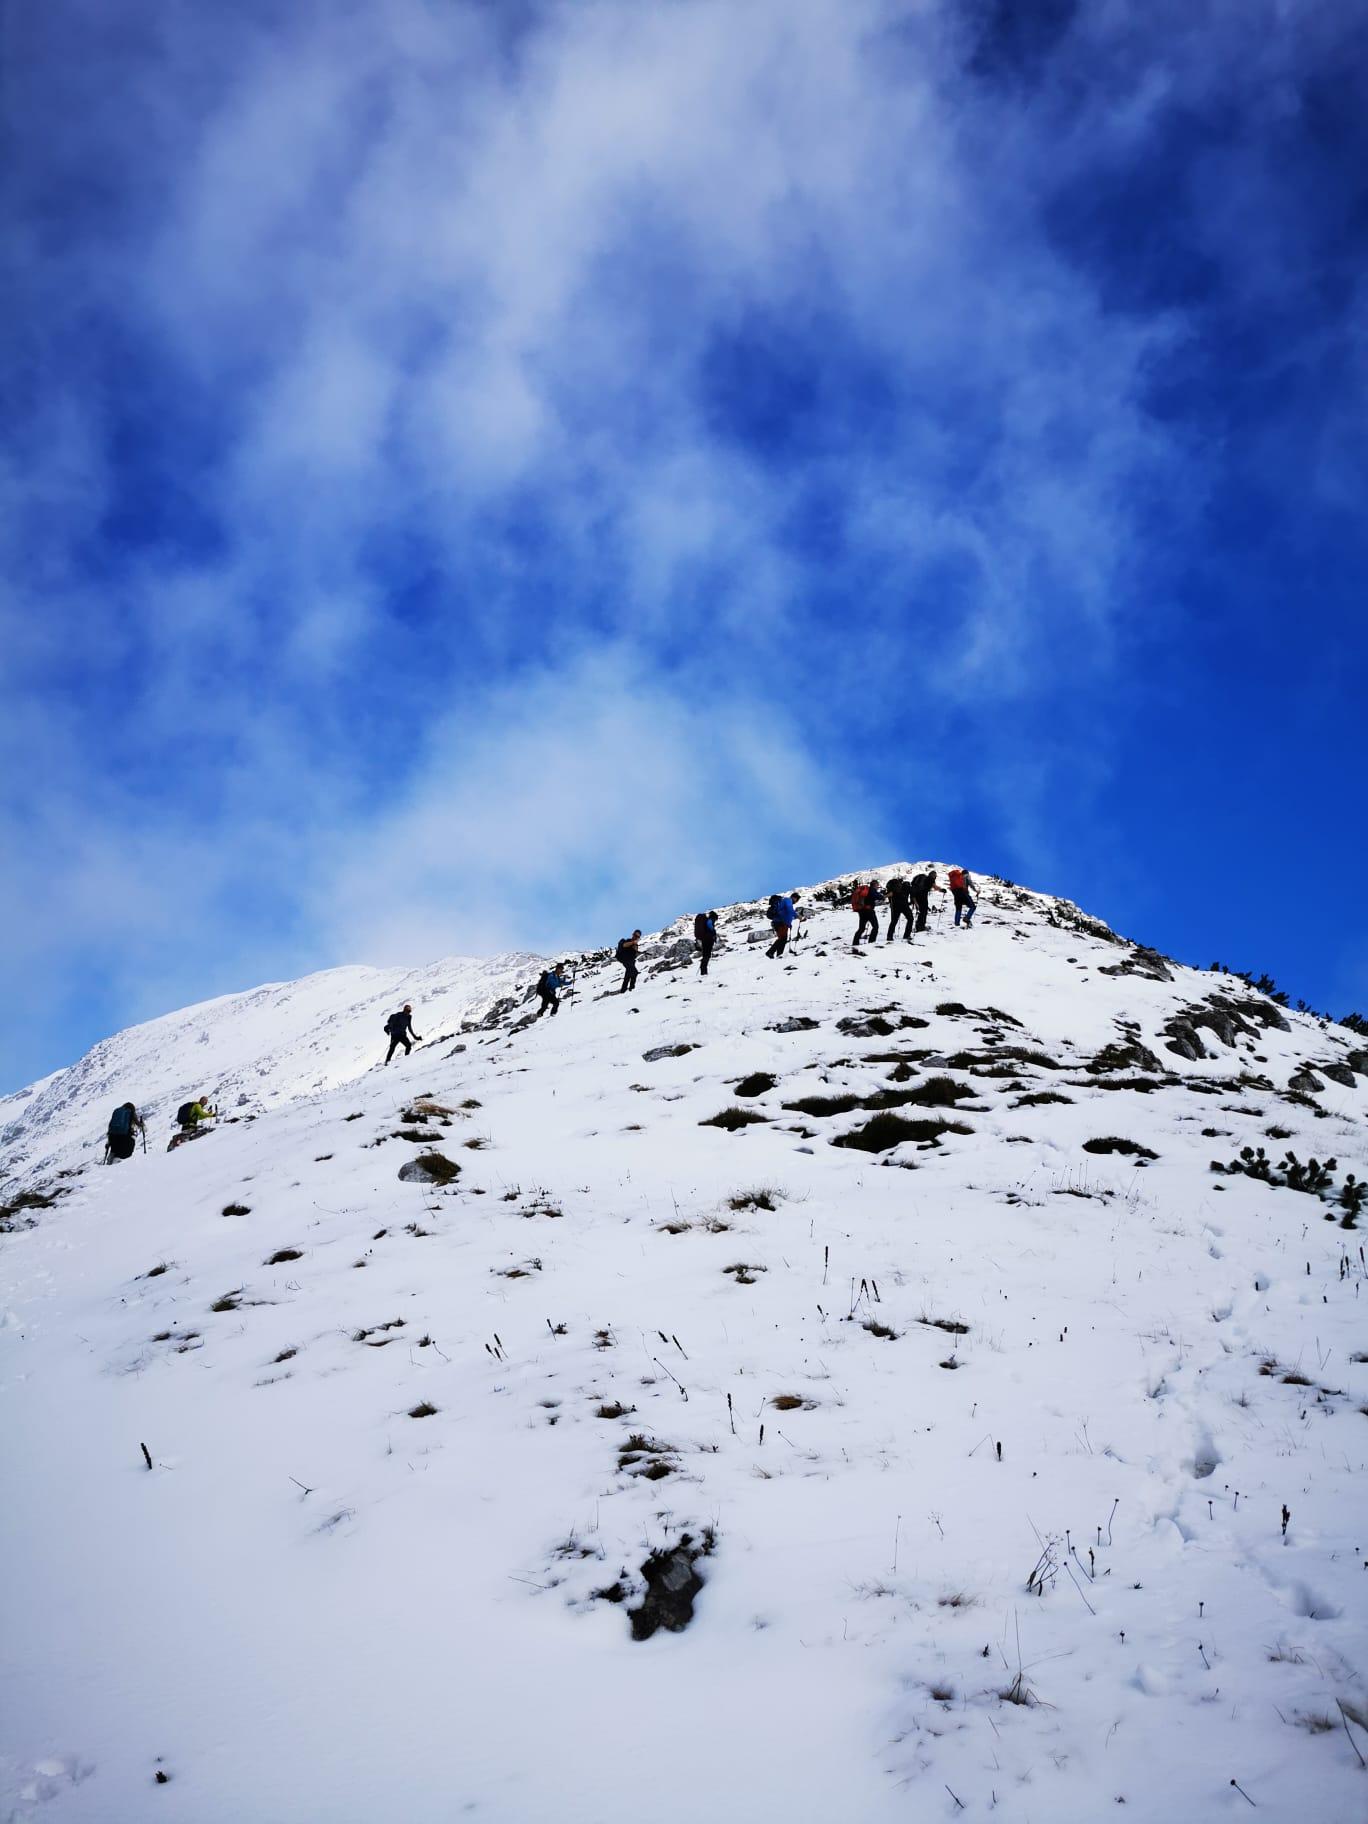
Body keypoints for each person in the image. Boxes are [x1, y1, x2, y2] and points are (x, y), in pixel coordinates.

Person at [852, 879, 882, 948]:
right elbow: (878, 896)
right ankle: (871, 942)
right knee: (875, 926)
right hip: (869, 911)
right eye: (877, 885)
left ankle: (855, 943)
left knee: (861, 928)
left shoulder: (866, 890)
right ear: (874, 885)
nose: (878, 886)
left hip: (861, 911)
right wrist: (884, 896)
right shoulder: (872, 890)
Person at [909, 868, 941, 933]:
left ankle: (918, 926)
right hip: (922, 896)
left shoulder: (922, 879)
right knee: (924, 911)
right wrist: (941, 889)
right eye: (935, 876)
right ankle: (921, 927)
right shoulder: (930, 879)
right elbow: (935, 887)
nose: (935, 877)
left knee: (921, 911)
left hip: (915, 895)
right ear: (933, 875)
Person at [766, 893, 797, 958]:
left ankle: (779, 954)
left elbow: (786, 914)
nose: (796, 901)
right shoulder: (787, 901)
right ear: (794, 897)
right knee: (782, 939)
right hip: (780, 923)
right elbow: (790, 911)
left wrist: (789, 924)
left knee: (783, 939)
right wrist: (797, 916)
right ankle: (770, 952)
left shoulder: (782, 902)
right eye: (796, 899)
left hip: (778, 923)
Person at [885, 876, 914, 943]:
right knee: (910, 919)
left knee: (894, 921)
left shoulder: (893, 888)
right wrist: (912, 902)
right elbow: (912, 894)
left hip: (895, 906)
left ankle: (889, 936)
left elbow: (888, 895)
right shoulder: (906, 887)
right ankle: (906, 935)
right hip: (904, 906)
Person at [693, 911, 717, 977]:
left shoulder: (706, 920)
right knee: (707, 955)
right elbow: (709, 925)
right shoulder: (710, 920)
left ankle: (703, 970)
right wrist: (714, 931)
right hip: (708, 940)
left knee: (705, 955)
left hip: (704, 939)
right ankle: (704, 971)